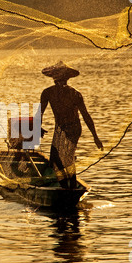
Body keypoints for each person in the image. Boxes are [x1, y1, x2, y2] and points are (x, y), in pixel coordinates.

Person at [40, 61, 103, 189]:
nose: (59, 78)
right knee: (54, 159)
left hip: (74, 127)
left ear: (67, 78)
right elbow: (39, 112)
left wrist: (95, 137)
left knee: (67, 157)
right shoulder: (47, 92)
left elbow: (86, 115)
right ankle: (65, 186)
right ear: (53, 77)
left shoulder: (74, 93)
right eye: (57, 75)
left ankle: (71, 188)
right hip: (60, 128)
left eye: (61, 75)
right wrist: (37, 127)